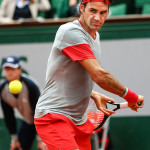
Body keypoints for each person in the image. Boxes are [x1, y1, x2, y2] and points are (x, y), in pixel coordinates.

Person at [34, 0, 144, 150]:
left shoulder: (95, 36)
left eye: (103, 12)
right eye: (93, 11)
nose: (98, 18)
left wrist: (92, 94)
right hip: (54, 117)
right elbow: (99, 75)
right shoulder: (70, 32)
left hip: (79, 121)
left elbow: (65, 75)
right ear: (81, 8)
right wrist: (131, 97)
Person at [0, 56, 48, 150]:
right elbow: (8, 115)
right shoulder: (3, 90)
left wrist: (40, 138)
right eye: (7, 69)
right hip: (28, 121)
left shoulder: (30, 86)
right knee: (18, 148)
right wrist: (14, 139)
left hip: (44, 120)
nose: (9, 72)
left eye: (13, 69)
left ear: (20, 70)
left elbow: (38, 111)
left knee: (45, 147)